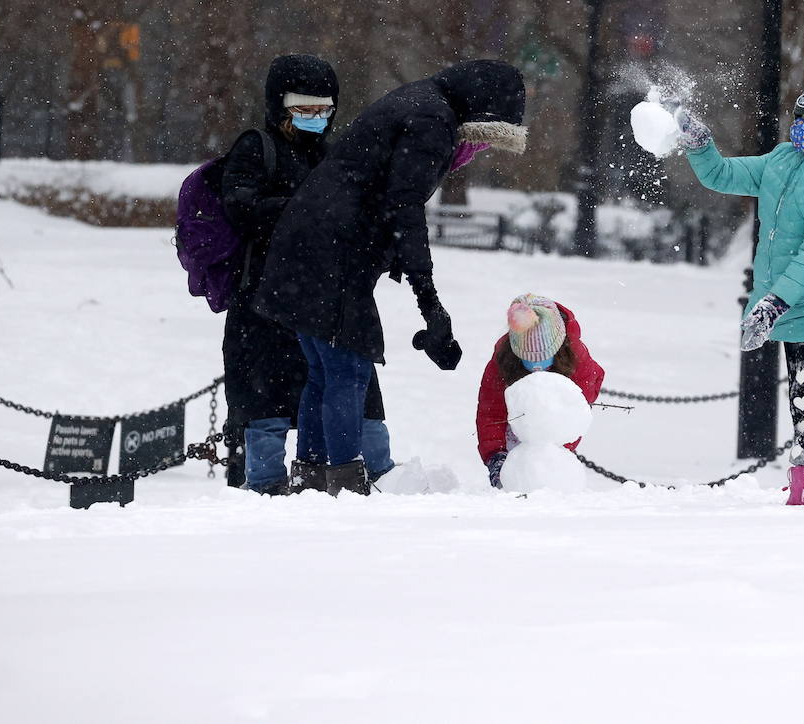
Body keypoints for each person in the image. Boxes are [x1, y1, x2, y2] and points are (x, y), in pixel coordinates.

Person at [255, 60, 528, 497]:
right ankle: (345, 484)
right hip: (334, 255)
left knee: (323, 373)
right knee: (348, 372)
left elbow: (381, 192)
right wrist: (430, 303)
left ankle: (310, 479)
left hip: (304, 247)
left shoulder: (416, 100)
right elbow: (404, 208)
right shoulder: (432, 120)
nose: (477, 148)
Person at [675, 73, 804, 505]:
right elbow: (723, 174)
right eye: (798, 118)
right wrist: (700, 145)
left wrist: (773, 303)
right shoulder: (781, 160)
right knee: (799, 400)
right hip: (786, 304)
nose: (800, 129)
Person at [220, 53, 393, 495]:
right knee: (265, 397)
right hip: (263, 299)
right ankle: (266, 484)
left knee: (351, 385)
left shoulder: (335, 153)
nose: (317, 118)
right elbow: (242, 208)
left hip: (324, 297)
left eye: (324, 109)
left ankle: (376, 473)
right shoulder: (256, 148)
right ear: (280, 106)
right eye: (305, 109)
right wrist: (307, 210)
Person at [475, 294, 605, 489]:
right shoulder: (503, 358)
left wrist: (559, 448)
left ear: (559, 349)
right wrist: (496, 455)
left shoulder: (577, 359)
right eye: (528, 359)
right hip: (515, 424)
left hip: (552, 437)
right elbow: (491, 411)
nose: (536, 367)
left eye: (543, 359)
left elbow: (574, 412)